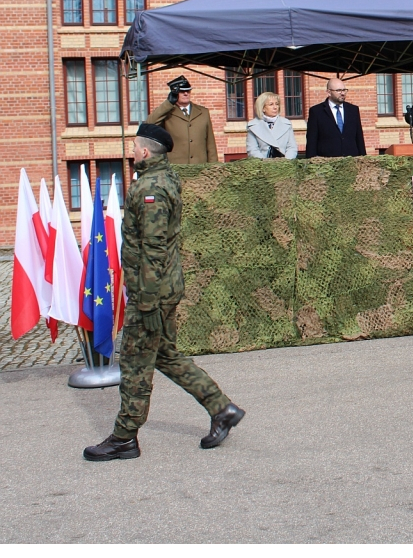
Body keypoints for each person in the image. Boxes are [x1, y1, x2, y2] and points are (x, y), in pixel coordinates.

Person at [83, 124, 244, 461]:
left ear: (144, 152)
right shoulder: (162, 177)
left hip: (152, 291)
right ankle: (221, 408)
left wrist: (146, 299)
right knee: (165, 355)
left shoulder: (150, 188)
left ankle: (125, 436)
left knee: (135, 361)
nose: (132, 152)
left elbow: (153, 248)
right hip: (162, 288)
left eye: (136, 148)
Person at [146, 75, 219, 164]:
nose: (186, 93)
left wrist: (213, 168)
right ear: (174, 93)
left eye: (188, 91)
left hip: (200, 170)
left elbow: (210, 144)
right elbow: (149, 124)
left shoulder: (203, 112)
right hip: (176, 169)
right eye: (182, 91)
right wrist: (168, 103)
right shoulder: (166, 113)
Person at [306, 79, 366, 158]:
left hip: (351, 162)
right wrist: (311, 163)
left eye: (344, 90)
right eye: (338, 90)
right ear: (328, 92)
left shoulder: (353, 110)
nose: (343, 93)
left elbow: (359, 138)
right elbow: (312, 141)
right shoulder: (316, 111)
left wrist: (364, 159)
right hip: (327, 164)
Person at [246, 91, 298, 159]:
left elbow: (292, 147)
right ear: (263, 108)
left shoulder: (286, 124)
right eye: (271, 104)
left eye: (277, 104)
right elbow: (252, 150)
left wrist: (286, 162)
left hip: (284, 165)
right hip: (263, 165)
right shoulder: (253, 126)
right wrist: (266, 164)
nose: (275, 107)